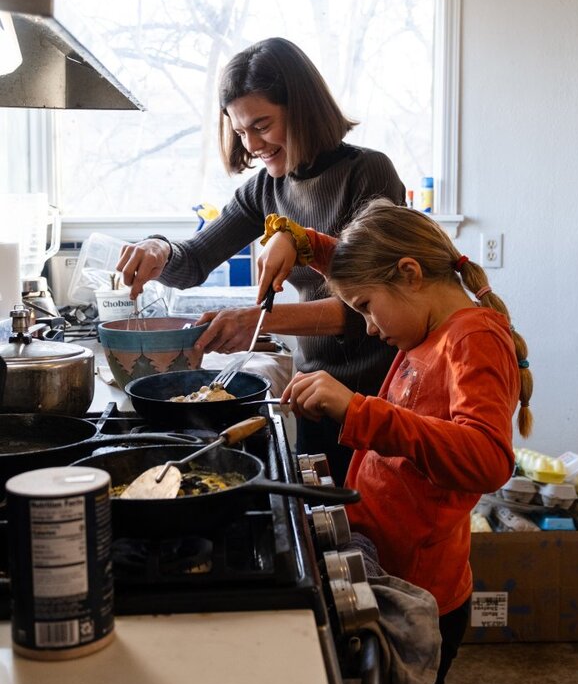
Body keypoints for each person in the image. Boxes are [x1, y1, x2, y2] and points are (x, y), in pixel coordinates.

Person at [255, 200, 533, 684]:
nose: (367, 326)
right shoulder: (426, 318)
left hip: (422, 593)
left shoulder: (472, 341)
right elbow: (359, 263)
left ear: (409, 273)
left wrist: (363, 412)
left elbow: (489, 458)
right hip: (389, 560)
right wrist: (299, 242)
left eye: (363, 307)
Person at [117, 37, 406, 486]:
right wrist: (158, 249)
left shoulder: (367, 173)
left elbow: (366, 312)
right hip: (313, 392)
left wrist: (259, 321)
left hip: (378, 397)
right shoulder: (267, 190)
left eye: (262, 125)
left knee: (374, 533)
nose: (251, 145)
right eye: (239, 131)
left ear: (303, 108)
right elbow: (193, 262)